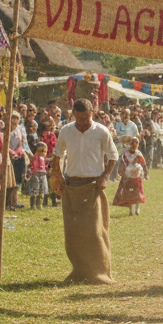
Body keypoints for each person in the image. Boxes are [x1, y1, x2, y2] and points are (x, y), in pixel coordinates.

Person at [51, 99, 118, 285]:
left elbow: (113, 156)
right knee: (74, 233)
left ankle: (100, 273)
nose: (82, 122)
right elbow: (57, 154)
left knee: (96, 232)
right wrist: (57, 176)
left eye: (86, 118)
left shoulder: (101, 131)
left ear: (92, 113)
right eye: (79, 118)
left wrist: (105, 177)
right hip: (71, 186)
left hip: (93, 186)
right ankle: (79, 271)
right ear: (73, 115)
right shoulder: (66, 131)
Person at [112, 136, 147, 216]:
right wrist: (121, 172)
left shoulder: (138, 154)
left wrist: (145, 174)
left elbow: (144, 164)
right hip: (127, 177)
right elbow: (121, 163)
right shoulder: (125, 153)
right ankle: (131, 210)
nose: (134, 144)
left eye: (136, 142)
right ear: (129, 144)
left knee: (137, 193)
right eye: (132, 142)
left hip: (137, 177)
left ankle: (137, 208)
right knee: (129, 194)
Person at [28, 142, 50, 209]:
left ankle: (39, 204)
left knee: (41, 189)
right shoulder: (36, 158)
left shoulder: (42, 159)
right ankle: (34, 205)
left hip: (42, 174)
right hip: (37, 174)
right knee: (36, 189)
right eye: (42, 151)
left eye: (45, 152)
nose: (44, 154)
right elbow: (34, 167)